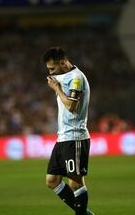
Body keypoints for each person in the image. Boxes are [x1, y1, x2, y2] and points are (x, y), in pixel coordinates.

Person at [43, 47, 94, 215]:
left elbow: (72, 106)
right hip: (63, 137)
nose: (50, 73)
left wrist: (56, 88)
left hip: (75, 136)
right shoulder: (65, 76)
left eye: (52, 68)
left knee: (75, 183)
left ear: (63, 63)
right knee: (52, 180)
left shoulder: (76, 78)